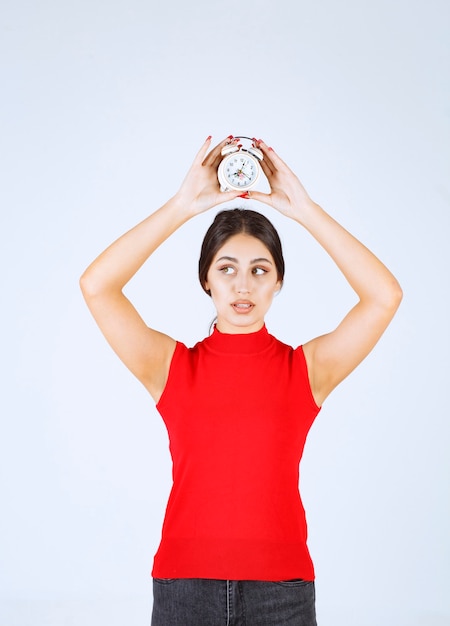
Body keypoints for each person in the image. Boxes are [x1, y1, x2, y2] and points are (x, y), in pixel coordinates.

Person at [80, 136, 402, 626]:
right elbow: (96, 285)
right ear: (206, 279)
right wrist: (181, 206)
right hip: (184, 589)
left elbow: (384, 296)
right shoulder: (171, 367)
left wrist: (306, 211)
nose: (243, 285)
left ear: (278, 281)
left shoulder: (305, 371)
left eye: (259, 269)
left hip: (283, 593)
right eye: (226, 269)